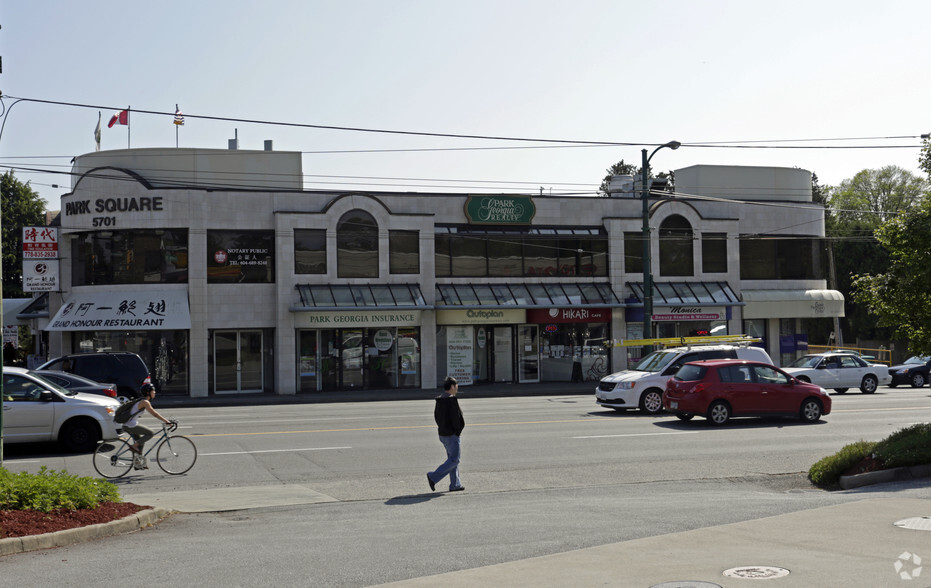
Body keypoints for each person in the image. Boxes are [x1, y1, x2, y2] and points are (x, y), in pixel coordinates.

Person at [427, 376, 465, 492]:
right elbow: (456, 418)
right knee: (454, 460)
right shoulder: (451, 400)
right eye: (456, 385)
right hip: (451, 435)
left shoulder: (440, 400)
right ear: (452, 386)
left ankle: (455, 484)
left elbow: (436, 416)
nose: (457, 388)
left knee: (452, 459)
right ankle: (433, 476)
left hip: (443, 434)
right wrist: (457, 431)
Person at [123, 383, 173, 470]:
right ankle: (134, 446)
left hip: (129, 424)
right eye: (153, 391)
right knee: (150, 433)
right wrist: (166, 421)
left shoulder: (143, 401)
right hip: (130, 425)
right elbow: (155, 414)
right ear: (148, 392)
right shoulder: (145, 402)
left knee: (141, 442)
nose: (155, 392)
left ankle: (138, 463)